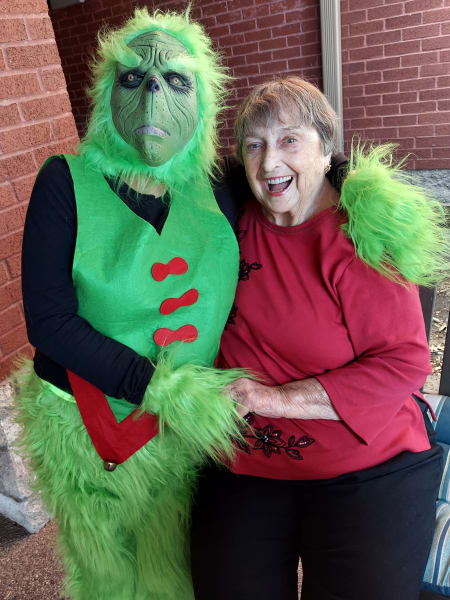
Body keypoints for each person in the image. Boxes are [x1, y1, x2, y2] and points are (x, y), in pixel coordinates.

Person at [16, 8, 249, 600]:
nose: (153, 98)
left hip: (182, 432)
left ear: (204, 98)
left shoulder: (220, 187)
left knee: (176, 566)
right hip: (85, 420)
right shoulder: (63, 181)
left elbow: (300, 184)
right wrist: (154, 387)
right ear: (105, 91)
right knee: (107, 577)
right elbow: (48, 319)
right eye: (134, 79)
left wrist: (363, 192)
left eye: (175, 80)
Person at [190, 76, 449, 600]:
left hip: (367, 465)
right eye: (255, 144)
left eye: (290, 140)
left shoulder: (358, 233)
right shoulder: (226, 225)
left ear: (327, 149)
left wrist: (271, 398)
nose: (269, 163)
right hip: (246, 465)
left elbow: (404, 363)